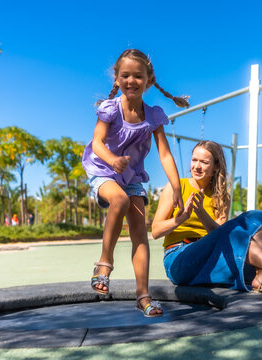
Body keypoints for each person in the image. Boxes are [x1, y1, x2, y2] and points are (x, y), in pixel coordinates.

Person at [82, 49, 189, 317]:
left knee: (140, 232)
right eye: (125, 75)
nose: (131, 81)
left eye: (138, 76)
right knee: (119, 199)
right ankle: (104, 263)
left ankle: (143, 295)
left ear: (149, 81)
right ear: (117, 79)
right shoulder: (110, 109)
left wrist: (177, 187)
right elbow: (97, 143)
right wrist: (112, 159)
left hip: (131, 176)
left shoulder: (153, 115)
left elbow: (164, 154)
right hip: (104, 169)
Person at [152, 141, 262, 294]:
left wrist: (201, 213)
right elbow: (155, 231)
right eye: (194, 160)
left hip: (211, 258)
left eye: (204, 162)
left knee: (254, 217)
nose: (197, 166)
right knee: (240, 230)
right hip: (180, 258)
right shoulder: (176, 187)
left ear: (215, 167)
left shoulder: (221, 196)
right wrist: (182, 218)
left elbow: (219, 235)